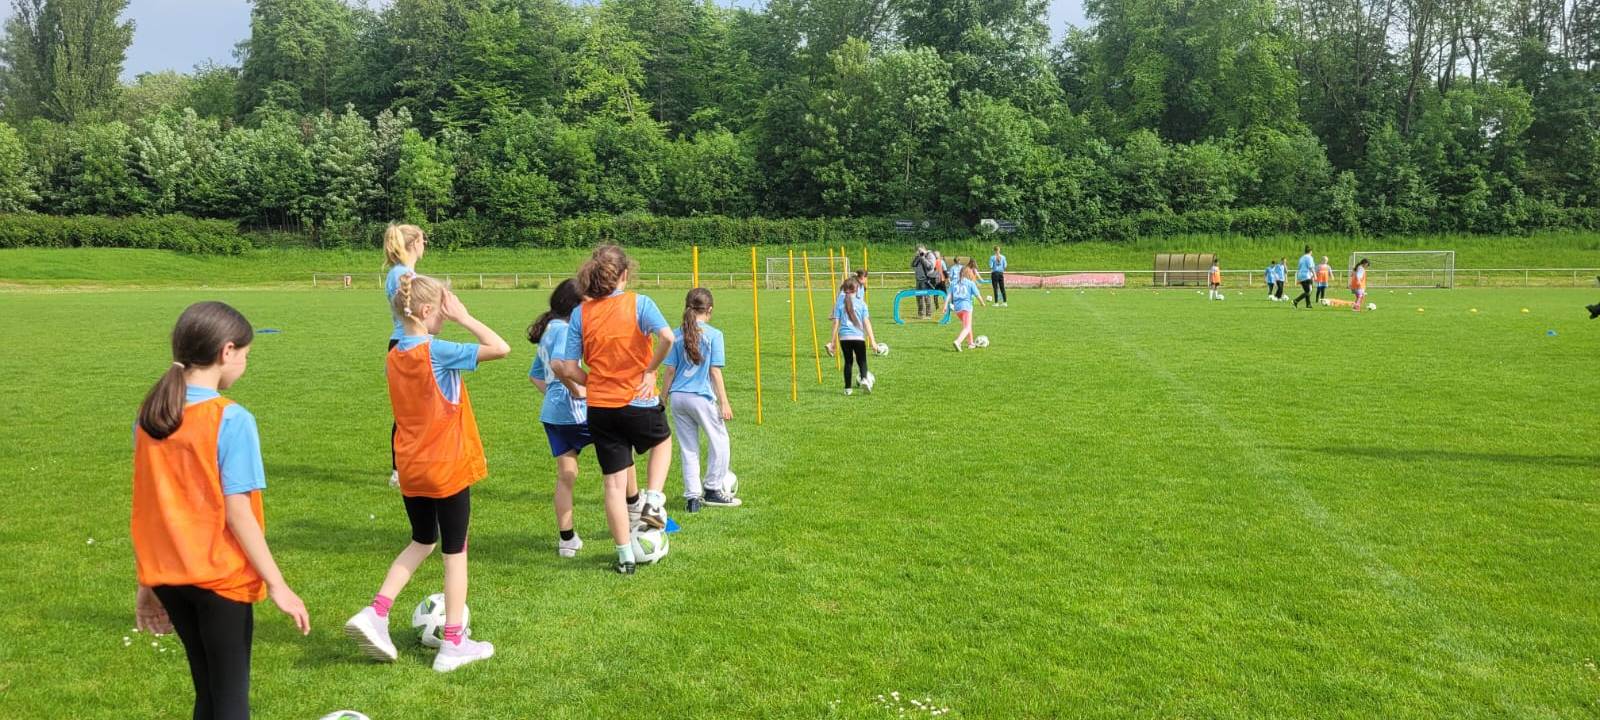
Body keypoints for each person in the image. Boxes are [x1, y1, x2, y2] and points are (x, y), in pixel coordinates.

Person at [132, 301, 311, 720]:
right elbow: (239, 514)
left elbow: (150, 506)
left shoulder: (149, 417)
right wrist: (278, 585)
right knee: (230, 699)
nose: (244, 366)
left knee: (208, 692)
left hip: (171, 579)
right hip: (219, 578)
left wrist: (149, 583)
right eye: (246, 356)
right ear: (226, 352)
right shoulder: (231, 419)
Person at [344, 272, 510, 672]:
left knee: (422, 541)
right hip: (446, 467)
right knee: (456, 552)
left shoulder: (394, 352)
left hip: (411, 467)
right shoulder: (436, 350)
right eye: (443, 308)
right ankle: (453, 643)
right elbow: (501, 348)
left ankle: (377, 612)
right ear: (426, 310)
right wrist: (466, 318)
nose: (446, 315)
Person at [553, 245, 677, 575]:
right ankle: (653, 499)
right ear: (624, 275)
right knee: (662, 442)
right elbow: (667, 338)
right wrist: (650, 369)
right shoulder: (640, 303)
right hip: (638, 401)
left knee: (613, 485)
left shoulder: (581, 313)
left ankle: (624, 556)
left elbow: (567, 367)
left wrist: (593, 382)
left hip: (600, 408)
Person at [527, 278, 615, 558]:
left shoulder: (549, 330)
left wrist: (554, 394)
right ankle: (640, 518)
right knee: (620, 464)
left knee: (567, 476)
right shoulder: (564, 330)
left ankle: (567, 540)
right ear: (575, 305)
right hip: (581, 413)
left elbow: (535, 375)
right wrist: (577, 389)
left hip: (555, 415)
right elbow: (557, 366)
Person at [663, 288, 740, 512]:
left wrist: (663, 398)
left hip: (678, 398)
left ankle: (692, 498)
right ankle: (713, 489)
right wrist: (724, 402)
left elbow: (669, 370)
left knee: (689, 448)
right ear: (710, 310)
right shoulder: (714, 335)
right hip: (701, 397)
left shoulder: (676, 334)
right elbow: (715, 372)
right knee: (720, 441)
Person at [383, 224, 427, 487]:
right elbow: (410, 311)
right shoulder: (403, 274)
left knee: (414, 409)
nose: (425, 245)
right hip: (407, 344)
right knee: (408, 411)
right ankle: (399, 470)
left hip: (406, 342)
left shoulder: (398, 272)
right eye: (423, 240)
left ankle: (405, 466)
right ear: (414, 243)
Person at [831, 277, 880, 395]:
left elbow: (835, 322)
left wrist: (832, 342)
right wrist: (873, 341)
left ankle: (847, 389)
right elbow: (867, 323)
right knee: (862, 360)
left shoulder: (839, 304)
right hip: (858, 337)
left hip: (844, 337)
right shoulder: (862, 304)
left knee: (848, 362)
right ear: (857, 289)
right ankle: (864, 379)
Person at [949, 266, 988, 351]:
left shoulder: (955, 282)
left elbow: (950, 295)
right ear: (968, 274)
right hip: (966, 307)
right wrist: (983, 303)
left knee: (967, 325)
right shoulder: (970, 283)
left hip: (957, 309)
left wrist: (947, 305)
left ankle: (971, 343)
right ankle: (958, 341)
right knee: (967, 327)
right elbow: (978, 295)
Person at [910, 246, 933, 319]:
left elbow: (930, 266)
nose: (920, 252)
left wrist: (923, 257)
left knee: (927, 297)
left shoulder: (929, 255)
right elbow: (912, 265)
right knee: (919, 297)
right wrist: (917, 257)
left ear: (924, 250)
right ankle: (921, 314)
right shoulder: (918, 257)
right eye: (919, 251)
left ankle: (928, 314)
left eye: (921, 251)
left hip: (925, 279)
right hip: (918, 280)